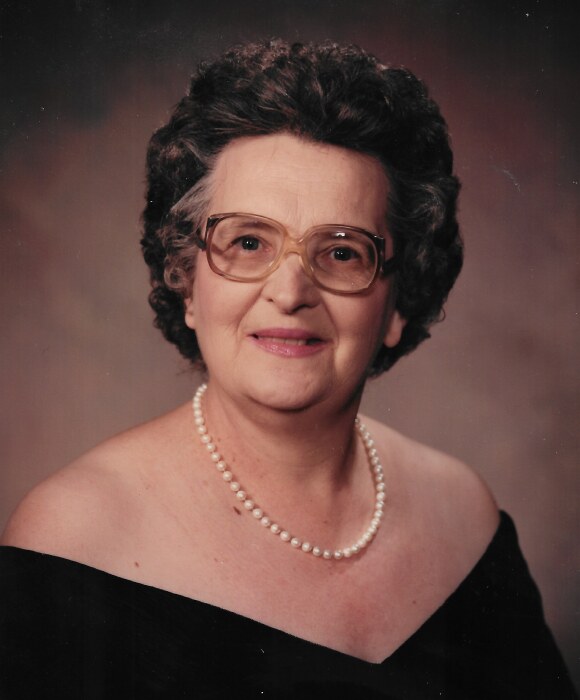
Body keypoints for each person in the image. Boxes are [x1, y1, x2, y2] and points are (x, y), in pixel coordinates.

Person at [0, 40, 576, 699]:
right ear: (186, 282)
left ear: (399, 302)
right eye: (248, 242)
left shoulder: (464, 516)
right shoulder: (71, 536)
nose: (290, 291)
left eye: (342, 252)